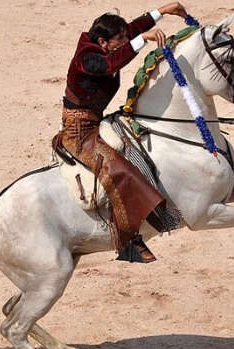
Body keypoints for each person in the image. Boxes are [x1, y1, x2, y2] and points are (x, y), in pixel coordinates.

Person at [53, 2, 188, 263]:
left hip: (95, 120)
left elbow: (131, 31)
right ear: (103, 41)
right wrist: (140, 40)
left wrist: (162, 11)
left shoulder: (104, 44)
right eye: (119, 40)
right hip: (78, 131)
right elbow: (111, 62)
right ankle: (127, 240)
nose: (123, 42)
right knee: (117, 170)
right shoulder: (87, 58)